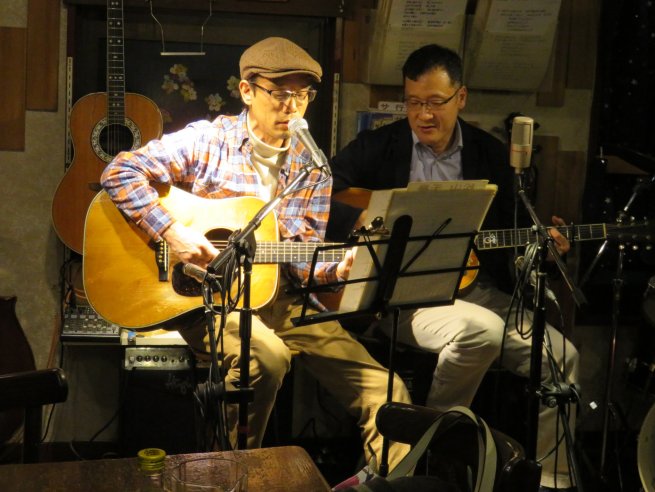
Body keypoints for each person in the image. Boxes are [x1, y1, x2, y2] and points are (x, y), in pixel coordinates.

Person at [101, 36, 411, 472]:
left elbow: (301, 260)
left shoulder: (313, 167)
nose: (292, 107)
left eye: (303, 95)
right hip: (210, 299)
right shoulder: (209, 141)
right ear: (247, 91)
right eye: (280, 93)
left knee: (388, 391)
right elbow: (120, 172)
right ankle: (234, 474)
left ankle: (387, 482)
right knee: (266, 356)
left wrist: (338, 268)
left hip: (283, 301)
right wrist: (172, 233)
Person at [327, 44, 579, 491]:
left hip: (477, 290)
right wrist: (366, 218)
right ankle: (433, 453)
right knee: (480, 331)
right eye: (413, 102)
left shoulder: (490, 154)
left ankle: (552, 482)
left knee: (562, 358)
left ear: (460, 98)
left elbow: (516, 229)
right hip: (402, 296)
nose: (423, 115)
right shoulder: (378, 146)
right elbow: (321, 192)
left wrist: (544, 247)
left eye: (435, 102)